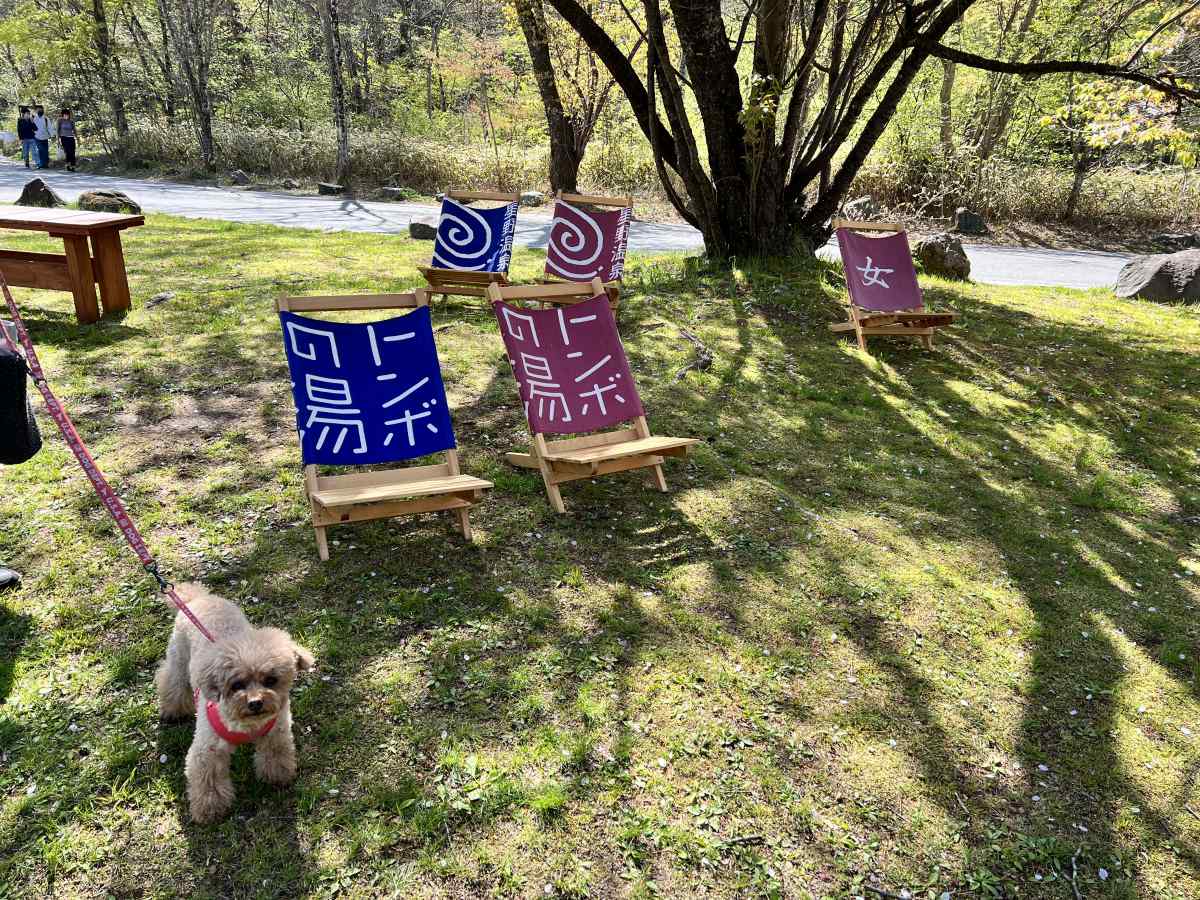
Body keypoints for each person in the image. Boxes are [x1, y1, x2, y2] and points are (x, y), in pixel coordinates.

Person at [31, 105, 50, 169]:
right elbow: (30, 126)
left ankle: (46, 164)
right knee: (40, 150)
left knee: (46, 151)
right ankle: (41, 163)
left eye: (41, 109)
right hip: (37, 137)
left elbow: (50, 127)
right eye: (39, 110)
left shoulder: (46, 118)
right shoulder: (33, 118)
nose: (40, 111)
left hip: (45, 136)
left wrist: (52, 135)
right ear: (36, 110)